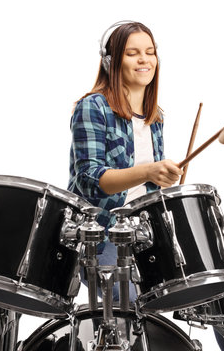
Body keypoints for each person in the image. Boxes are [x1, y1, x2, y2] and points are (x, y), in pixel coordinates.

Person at [67, 20, 182, 303]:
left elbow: (150, 189)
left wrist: (164, 179)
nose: (144, 59)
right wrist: (148, 172)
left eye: (150, 51)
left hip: (144, 236)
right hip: (101, 238)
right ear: (110, 61)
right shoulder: (93, 107)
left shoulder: (156, 117)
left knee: (219, 281)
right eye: (132, 53)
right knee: (130, 301)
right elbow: (90, 180)